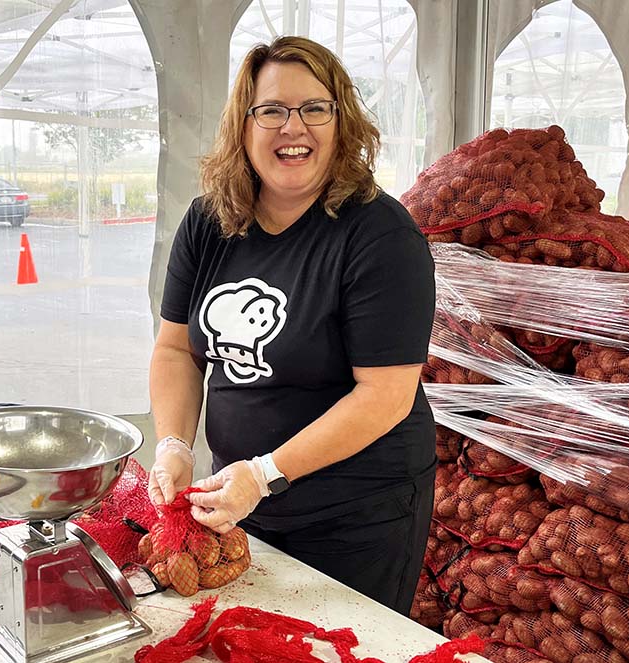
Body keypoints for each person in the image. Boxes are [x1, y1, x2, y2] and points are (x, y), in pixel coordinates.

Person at [147, 35, 436, 616]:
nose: (293, 127)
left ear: (341, 123)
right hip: (241, 501)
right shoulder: (209, 220)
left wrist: (265, 474)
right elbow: (177, 350)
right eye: (272, 110)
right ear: (244, 126)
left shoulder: (379, 235)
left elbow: (386, 395)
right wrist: (175, 444)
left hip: (356, 512)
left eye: (314, 109)